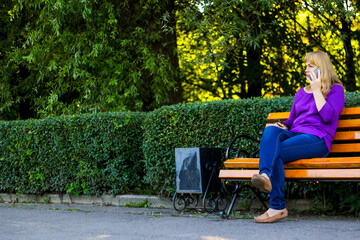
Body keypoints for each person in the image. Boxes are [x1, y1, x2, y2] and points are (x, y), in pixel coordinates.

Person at [251, 51, 344, 223]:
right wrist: (281, 125)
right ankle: (265, 176)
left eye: (311, 66)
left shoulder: (335, 89)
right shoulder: (301, 92)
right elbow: (291, 120)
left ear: (321, 68)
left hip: (317, 139)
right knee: (271, 131)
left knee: (275, 153)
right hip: (295, 134)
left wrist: (317, 91)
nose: (306, 69)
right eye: (306, 66)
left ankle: (277, 207)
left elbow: (328, 117)